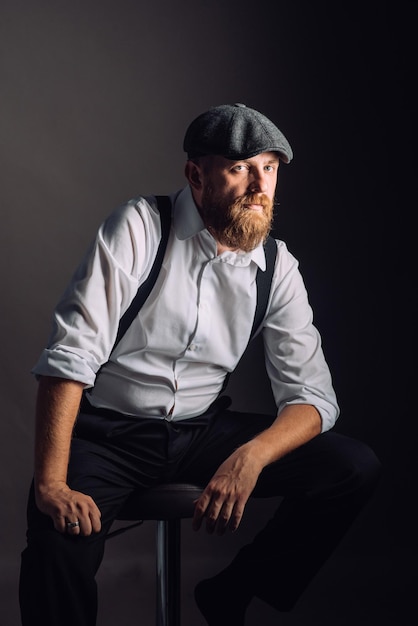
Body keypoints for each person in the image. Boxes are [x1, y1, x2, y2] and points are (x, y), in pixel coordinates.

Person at [19, 103, 381, 626]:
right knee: (57, 540)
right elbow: (70, 355)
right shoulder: (140, 226)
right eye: (240, 169)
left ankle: (232, 590)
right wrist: (50, 484)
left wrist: (251, 456)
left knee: (352, 467)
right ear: (196, 174)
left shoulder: (276, 266)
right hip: (108, 436)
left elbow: (313, 399)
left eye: (270, 169)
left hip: (200, 432)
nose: (260, 186)